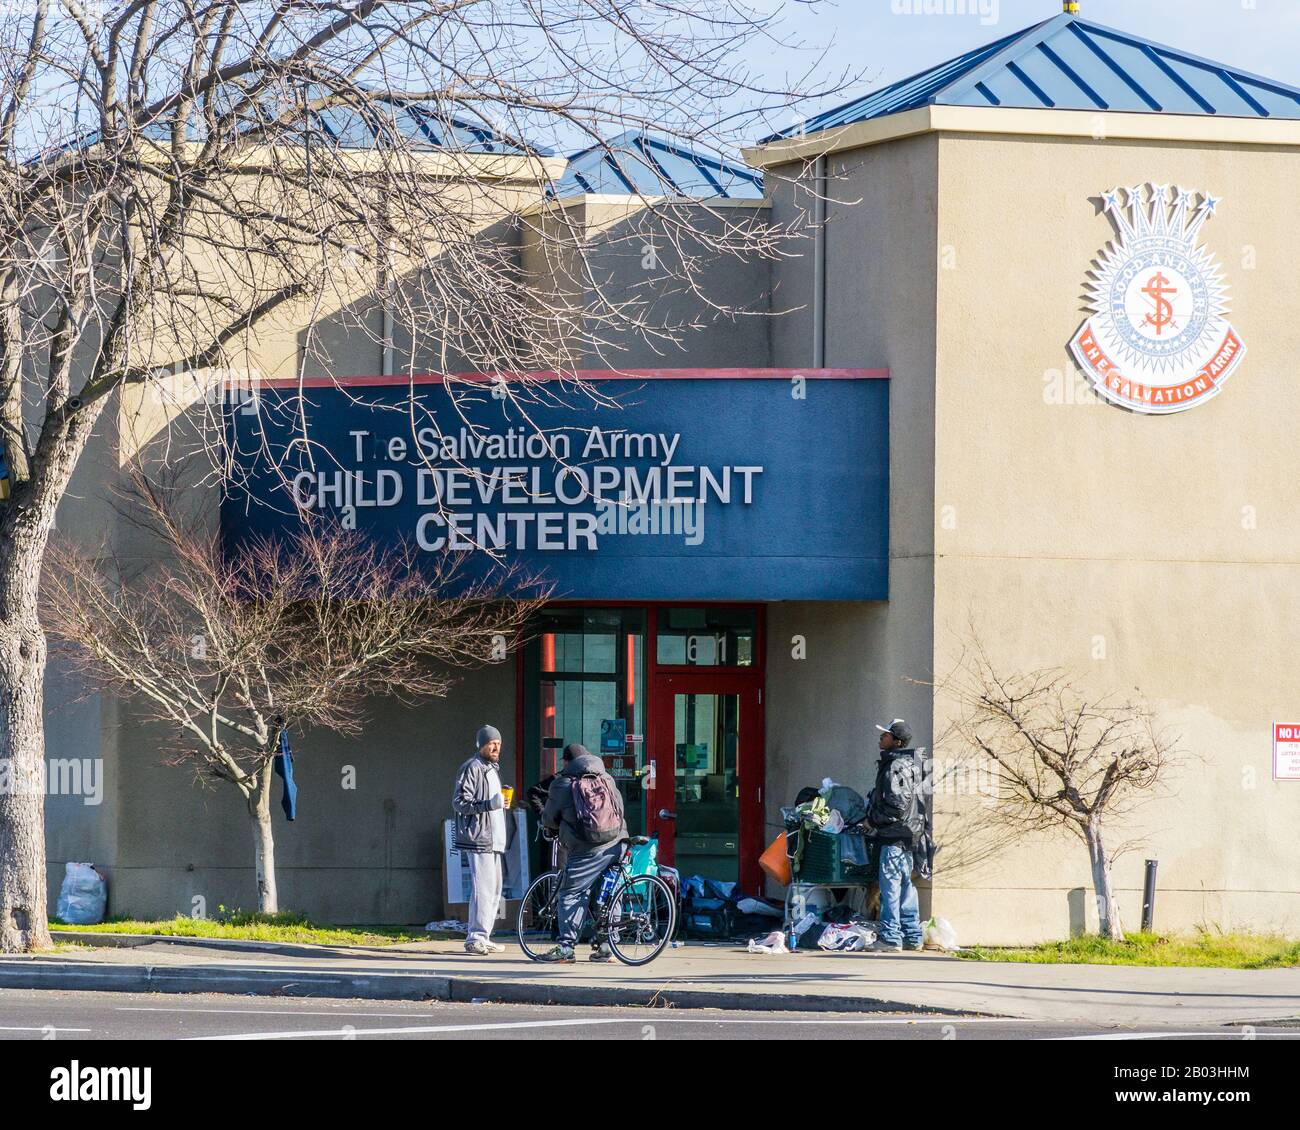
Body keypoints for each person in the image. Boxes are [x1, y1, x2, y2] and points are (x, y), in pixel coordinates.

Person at [537, 743, 628, 963]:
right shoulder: (607, 778)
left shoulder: (563, 783)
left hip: (588, 849)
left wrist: (552, 826)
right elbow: (620, 808)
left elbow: (549, 818)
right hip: (618, 843)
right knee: (610, 891)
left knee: (571, 893)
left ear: (567, 762)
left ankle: (566, 948)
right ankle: (608, 946)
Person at [864, 718, 926, 953]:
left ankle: (891, 937)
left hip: (893, 835)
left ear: (896, 741)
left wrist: (872, 819)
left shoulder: (894, 766)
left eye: (885, 735)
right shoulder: (909, 764)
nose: (881, 738)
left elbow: (896, 805)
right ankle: (911, 935)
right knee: (905, 886)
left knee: (890, 886)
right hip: (908, 835)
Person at [452, 724, 509, 955]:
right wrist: (490, 805)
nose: (495, 747)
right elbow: (459, 802)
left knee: (494, 889)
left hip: (494, 839)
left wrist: (500, 804)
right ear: (481, 744)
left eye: (498, 743)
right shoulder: (473, 767)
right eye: (491, 743)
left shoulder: (491, 768)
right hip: (479, 838)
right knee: (482, 889)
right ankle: (474, 938)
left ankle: (483, 936)